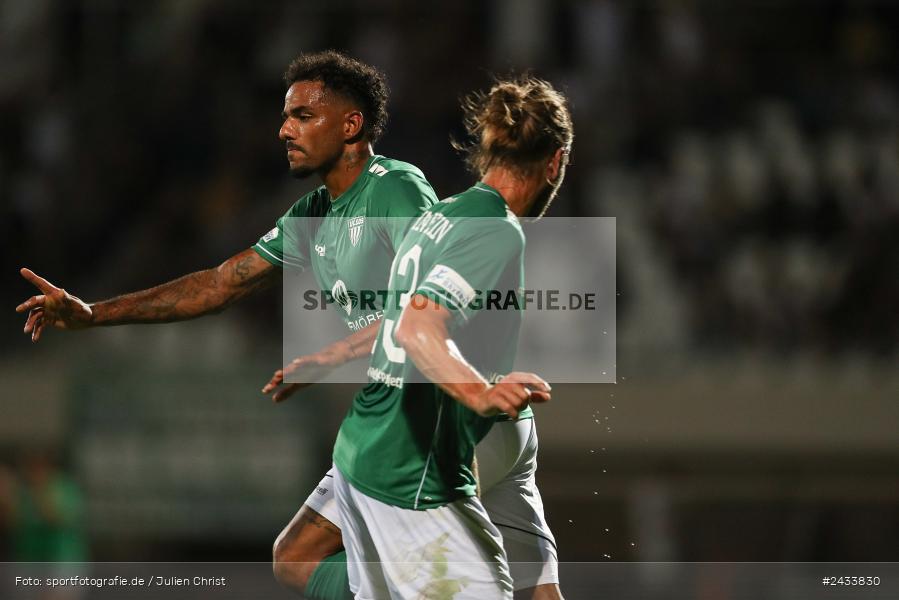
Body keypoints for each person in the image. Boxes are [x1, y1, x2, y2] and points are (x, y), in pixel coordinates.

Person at [16, 50, 438, 600]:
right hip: (381, 411)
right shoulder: (313, 214)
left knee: (435, 567)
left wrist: (332, 356)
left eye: (304, 116)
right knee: (295, 559)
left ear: (351, 125)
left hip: (424, 409)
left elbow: (429, 301)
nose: (284, 130)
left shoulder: (395, 187)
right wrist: (95, 313)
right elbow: (219, 285)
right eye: (286, 117)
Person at [329, 76, 573, 599]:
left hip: (372, 450)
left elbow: (403, 318)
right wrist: (480, 393)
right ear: (554, 162)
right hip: (417, 470)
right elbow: (418, 326)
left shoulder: (439, 215)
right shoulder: (497, 229)